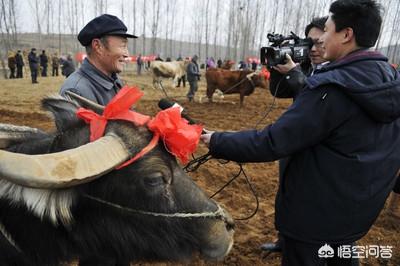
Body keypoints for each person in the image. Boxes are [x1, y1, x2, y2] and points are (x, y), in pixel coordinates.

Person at [201, 0, 400, 265]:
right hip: (357, 210)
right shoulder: (390, 79)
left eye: (326, 32)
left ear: (346, 34)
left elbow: (272, 142)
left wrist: (216, 139)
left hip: (314, 217)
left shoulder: (331, 88)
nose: (319, 42)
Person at [261, 16, 328, 254]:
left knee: (320, 201)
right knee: (287, 192)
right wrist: (279, 69)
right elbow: (278, 92)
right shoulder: (306, 66)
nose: (314, 49)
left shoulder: (337, 70)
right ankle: (284, 240)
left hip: (324, 150)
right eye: (309, 43)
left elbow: (318, 103)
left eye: (320, 42)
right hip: (296, 141)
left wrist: (296, 74)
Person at [59, 14, 137, 105]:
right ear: (98, 46)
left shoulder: (115, 81)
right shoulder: (75, 93)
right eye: (123, 46)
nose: (127, 54)